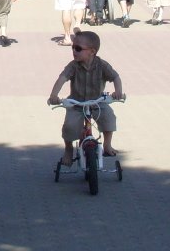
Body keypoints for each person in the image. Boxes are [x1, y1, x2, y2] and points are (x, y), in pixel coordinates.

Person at [47, 29, 124, 164]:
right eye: (72, 48)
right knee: (70, 126)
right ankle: (69, 149)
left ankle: (107, 145)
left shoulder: (102, 65)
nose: (74, 51)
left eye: (78, 48)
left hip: (97, 102)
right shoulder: (73, 66)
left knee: (109, 118)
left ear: (92, 51)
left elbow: (115, 77)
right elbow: (62, 78)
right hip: (76, 103)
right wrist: (54, 95)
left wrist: (118, 92)